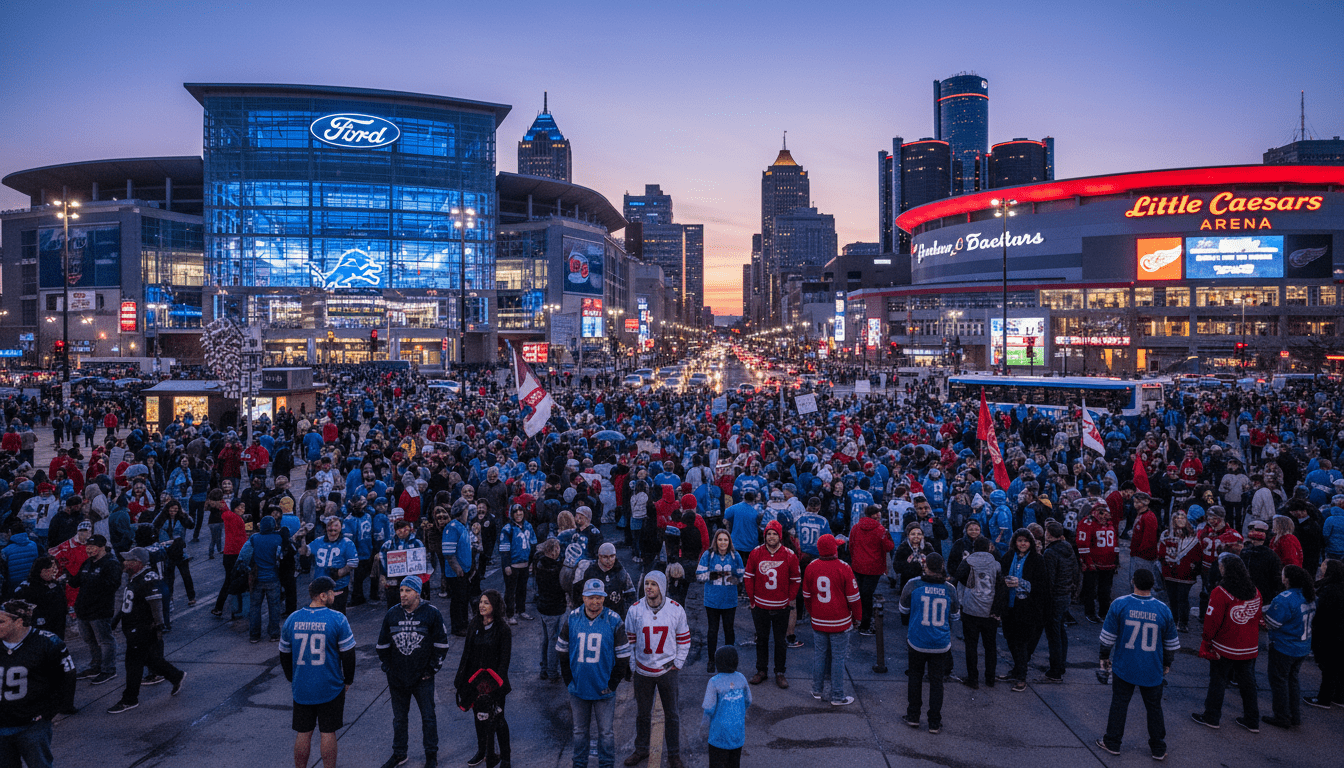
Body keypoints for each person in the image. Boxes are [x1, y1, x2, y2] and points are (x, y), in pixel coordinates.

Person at [1095, 567, 1179, 760]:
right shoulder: (1163, 609)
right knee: (1154, 708)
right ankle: (1158, 748)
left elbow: (1107, 637)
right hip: (1152, 667)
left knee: (1119, 704)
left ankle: (1112, 742)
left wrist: (1104, 657)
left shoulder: (1120, 604)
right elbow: (1170, 644)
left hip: (1125, 666)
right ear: (1153, 585)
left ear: (1133, 581)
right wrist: (1167, 663)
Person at [281, 577, 357, 768]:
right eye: (332, 592)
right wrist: (348, 680)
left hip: (302, 688)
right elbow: (348, 655)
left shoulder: (293, 619)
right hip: (329, 686)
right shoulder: (338, 619)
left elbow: (283, 654)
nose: (335, 595)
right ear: (323, 596)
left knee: (303, 732)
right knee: (328, 732)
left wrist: (292, 677)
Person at [557, 578, 631, 768]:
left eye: (599, 598)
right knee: (580, 731)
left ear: (604, 598)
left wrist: (612, 683)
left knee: (606, 732)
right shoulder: (572, 618)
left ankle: (606, 765)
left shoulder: (614, 620)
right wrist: (569, 680)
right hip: (578, 688)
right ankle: (579, 764)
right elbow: (562, 650)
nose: (595, 602)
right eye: (591, 597)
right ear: (583, 597)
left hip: (603, 690)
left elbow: (623, 656)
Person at [376, 575, 449, 768]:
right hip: (397, 679)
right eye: (401, 590)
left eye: (408, 590)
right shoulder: (392, 613)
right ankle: (399, 754)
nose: (403, 594)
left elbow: (441, 644)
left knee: (428, 717)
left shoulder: (431, 613)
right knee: (399, 719)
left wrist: (432, 669)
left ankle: (431, 755)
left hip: (422, 678)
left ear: (417, 593)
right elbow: (382, 645)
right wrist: (388, 668)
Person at [623, 569, 691, 768]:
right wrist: (633, 665)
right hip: (643, 671)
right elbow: (630, 641)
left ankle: (674, 754)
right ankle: (641, 749)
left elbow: (684, 640)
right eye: (646, 583)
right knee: (642, 714)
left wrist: (677, 664)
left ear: (661, 586)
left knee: (672, 714)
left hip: (666, 670)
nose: (648, 587)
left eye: (653, 584)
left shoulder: (675, 609)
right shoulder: (635, 610)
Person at [107, 547, 185, 713]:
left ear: (138, 563)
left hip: (141, 628)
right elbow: (131, 602)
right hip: (133, 627)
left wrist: (159, 626)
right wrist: (117, 620)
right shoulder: (135, 577)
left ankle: (130, 699)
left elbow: (155, 603)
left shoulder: (148, 578)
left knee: (133, 663)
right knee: (149, 659)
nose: (125, 562)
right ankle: (175, 675)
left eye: (128, 560)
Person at [0, 599, 76, 768]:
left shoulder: (48, 642)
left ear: (19, 622)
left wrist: (49, 712)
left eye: (1, 622)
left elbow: (67, 678)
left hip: (32, 724)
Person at [1192, 555, 1262, 732]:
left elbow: (1212, 620)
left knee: (1218, 681)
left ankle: (1212, 717)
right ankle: (1252, 720)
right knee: (1247, 683)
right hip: (1248, 646)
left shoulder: (1220, 592)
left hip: (1225, 645)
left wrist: (1207, 640)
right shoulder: (1254, 590)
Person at [899, 552, 960, 732]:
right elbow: (955, 615)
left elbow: (903, 608)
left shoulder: (913, 584)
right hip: (940, 643)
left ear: (925, 566)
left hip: (917, 639)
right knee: (936, 682)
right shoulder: (949, 588)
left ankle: (913, 715)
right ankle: (934, 721)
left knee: (915, 678)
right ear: (942, 567)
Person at [455, 589, 512, 768]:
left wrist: (495, 685)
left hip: (495, 683)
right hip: (475, 683)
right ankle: (483, 752)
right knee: (479, 718)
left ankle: (505, 757)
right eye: (481, 602)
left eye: (486, 602)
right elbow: (467, 654)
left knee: (498, 719)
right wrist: (461, 680)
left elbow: (504, 661)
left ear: (495, 606)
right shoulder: (474, 624)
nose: (482, 605)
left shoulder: (503, 629)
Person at [803, 533, 861, 706]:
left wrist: (813, 613)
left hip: (819, 619)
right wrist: (857, 617)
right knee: (838, 658)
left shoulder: (811, 567)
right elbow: (854, 598)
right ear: (834, 549)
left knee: (819, 655)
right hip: (840, 621)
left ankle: (817, 689)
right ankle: (837, 695)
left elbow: (806, 595)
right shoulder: (843, 567)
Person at [744, 521, 800, 689]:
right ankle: (761, 670)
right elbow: (749, 577)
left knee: (779, 641)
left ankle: (780, 672)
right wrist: (752, 599)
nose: (771, 537)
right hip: (760, 605)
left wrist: (789, 599)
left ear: (780, 536)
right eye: (769, 534)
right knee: (761, 639)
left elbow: (796, 579)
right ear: (765, 536)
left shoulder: (789, 555)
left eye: (774, 533)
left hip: (781, 607)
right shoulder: (756, 553)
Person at [1260, 565, 1315, 729]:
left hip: (1285, 647)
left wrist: (1264, 613)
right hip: (1303, 646)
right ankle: (1294, 715)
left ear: (1287, 579)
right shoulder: (1309, 595)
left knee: (1279, 682)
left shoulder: (1284, 599)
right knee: (1292, 680)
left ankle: (1282, 716)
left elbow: (1271, 623)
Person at [954, 537, 1007, 689]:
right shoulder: (996, 564)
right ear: (989, 548)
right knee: (990, 646)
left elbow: (959, 576)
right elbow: (1000, 586)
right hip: (990, 610)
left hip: (971, 608)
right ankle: (990, 678)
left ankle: (973, 679)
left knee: (971, 646)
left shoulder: (968, 561)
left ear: (974, 547)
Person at [999, 528, 1047, 692]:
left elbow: (1041, 585)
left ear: (1031, 542)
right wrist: (1004, 581)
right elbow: (1000, 575)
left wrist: (1021, 583)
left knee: (1021, 643)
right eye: (1019, 541)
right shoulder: (1008, 556)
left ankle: (1021, 677)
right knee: (1010, 640)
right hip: (1010, 606)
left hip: (1027, 608)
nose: (1022, 544)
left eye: (1025, 541)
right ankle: (1016, 671)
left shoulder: (1037, 559)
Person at [696, 530, 744, 672]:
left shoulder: (735, 556)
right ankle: (711, 660)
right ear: (715, 541)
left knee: (729, 630)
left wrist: (735, 579)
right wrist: (711, 575)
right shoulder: (708, 555)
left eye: (726, 540)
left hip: (729, 600)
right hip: (712, 601)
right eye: (720, 539)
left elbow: (742, 575)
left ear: (729, 542)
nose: (723, 542)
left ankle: (730, 660)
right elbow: (699, 575)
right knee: (713, 630)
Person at [701, 645, 751, 768]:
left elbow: (709, 708)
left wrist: (703, 729)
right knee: (734, 763)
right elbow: (748, 700)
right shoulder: (741, 678)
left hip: (718, 735)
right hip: (737, 733)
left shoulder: (714, 682)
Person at [1041, 521, 1079, 682]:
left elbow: (1049, 579)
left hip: (1055, 597)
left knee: (1054, 634)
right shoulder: (1067, 548)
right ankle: (1061, 664)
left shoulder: (1050, 553)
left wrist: (1045, 600)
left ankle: (1055, 669)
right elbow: (1076, 571)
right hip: (1065, 594)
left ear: (1048, 534)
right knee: (1061, 632)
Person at [848, 503, 893, 636]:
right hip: (874, 567)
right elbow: (889, 547)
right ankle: (865, 624)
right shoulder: (880, 530)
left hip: (858, 565)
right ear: (877, 515)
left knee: (861, 594)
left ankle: (858, 619)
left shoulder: (856, 527)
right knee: (867, 595)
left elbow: (851, 545)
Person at [1304, 558, 1343, 708]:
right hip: (1338, 633)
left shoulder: (1328, 590)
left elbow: (1321, 614)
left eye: (1323, 569)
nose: (1321, 571)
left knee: (1329, 668)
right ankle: (1339, 696)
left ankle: (1324, 698)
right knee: (1338, 667)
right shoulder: (1338, 587)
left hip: (1329, 635)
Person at [1157, 509, 1201, 632]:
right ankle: (1173, 620)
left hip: (1186, 573)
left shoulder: (1193, 535)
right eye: (1177, 518)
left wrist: (1194, 568)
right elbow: (1161, 553)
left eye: (1182, 518)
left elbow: (1197, 555)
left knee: (1182, 598)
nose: (1179, 520)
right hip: (1169, 572)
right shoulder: (1166, 534)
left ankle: (1183, 622)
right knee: (1172, 598)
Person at [303, 518, 358, 614]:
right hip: (320, 588)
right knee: (321, 615)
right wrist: (302, 538)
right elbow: (305, 551)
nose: (333, 529)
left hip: (338, 586)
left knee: (338, 615)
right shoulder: (318, 541)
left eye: (336, 526)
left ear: (341, 527)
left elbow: (353, 563)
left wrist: (340, 572)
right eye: (329, 526)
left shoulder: (347, 543)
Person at [1076, 501, 1119, 623]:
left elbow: (1115, 542)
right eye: (1101, 511)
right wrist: (1088, 561)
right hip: (1093, 563)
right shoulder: (1087, 523)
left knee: (1105, 590)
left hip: (1108, 563)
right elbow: (1082, 544)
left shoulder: (1110, 523)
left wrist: (1116, 559)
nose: (1104, 514)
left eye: (1105, 510)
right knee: (1091, 589)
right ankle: (1090, 612)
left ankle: (1104, 612)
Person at [534, 538, 568, 681]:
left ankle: (544, 669)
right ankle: (553, 672)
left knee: (546, 638)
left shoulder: (539, 563)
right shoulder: (558, 568)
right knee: (554, 639)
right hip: (555, 608)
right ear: (554, 550)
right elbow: (562, 587)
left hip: (542, 606)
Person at [498, 504, 537, 624]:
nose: (518, 514)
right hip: (513, 566)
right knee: (510, 591)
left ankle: (521, 610)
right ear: (511, 514)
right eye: (515, 512)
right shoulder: (507, 528)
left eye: (520, 511)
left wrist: (531, 562)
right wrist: (506, 565)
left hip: (524, 565)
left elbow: (533, 544)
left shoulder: (528, 526)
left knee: (522, 589)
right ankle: (509, 614)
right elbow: (504, 550)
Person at [441, 505, 474, 636]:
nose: (468, 514)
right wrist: (457, 569)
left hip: (464, 571)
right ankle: (458, 627)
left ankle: (465, 623)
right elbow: (448, 553)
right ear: (461, 512)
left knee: (464, 598)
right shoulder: (452, 527)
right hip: (456, 573)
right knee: (458, 600)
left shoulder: (462, 526)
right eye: (467, 511)